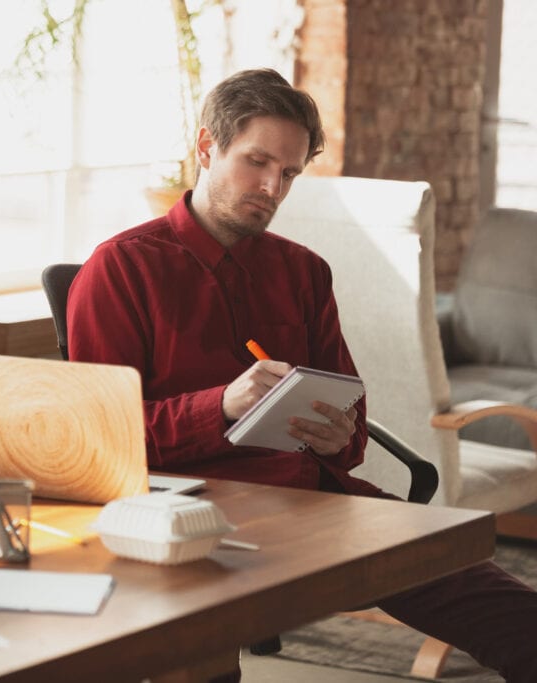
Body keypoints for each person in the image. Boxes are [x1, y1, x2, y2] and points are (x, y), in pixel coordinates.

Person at [67, 68, 537, 682]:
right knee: (199, 659)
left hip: (312, 502)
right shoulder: (121, 269)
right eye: (256, 162)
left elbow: (352, 426)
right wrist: (222, 406)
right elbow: (100, 442)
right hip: (186, 516)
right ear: (207, 147)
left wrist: (336, 435)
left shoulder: (304, 271)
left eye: (288, 173)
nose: (271, 187)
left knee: (519, 620)